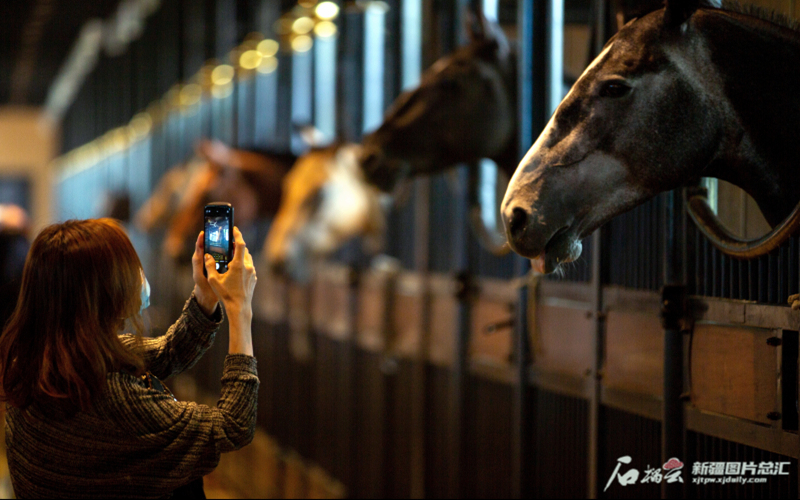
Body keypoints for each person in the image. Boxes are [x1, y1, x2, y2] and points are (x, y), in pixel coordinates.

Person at [0, 218, 258, 499]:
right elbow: (233, 426)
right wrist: (240, 310)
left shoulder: (41, 362)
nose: (139, 275)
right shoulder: (115, 398)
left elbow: (169, 351)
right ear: (102, 289)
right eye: (128, 268)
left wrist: (205, 296)